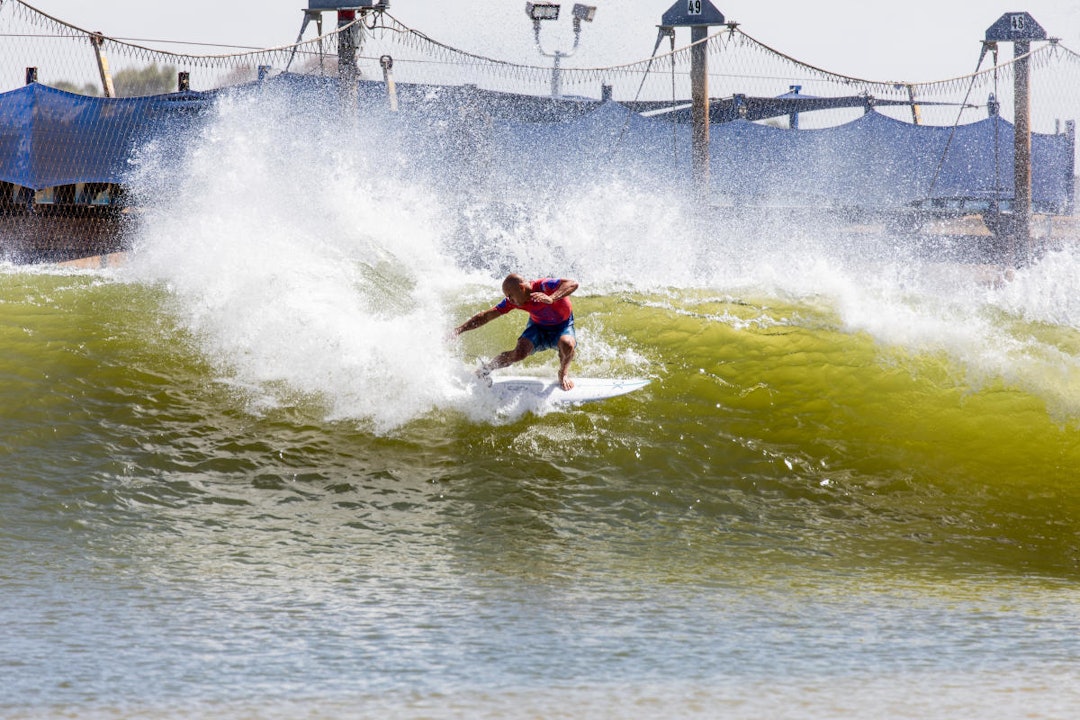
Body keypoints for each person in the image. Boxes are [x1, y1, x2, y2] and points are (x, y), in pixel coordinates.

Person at [453, 273, 579, 390]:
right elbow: (486, 316)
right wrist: (459, 329)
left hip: (563, 326)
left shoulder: (543, 285)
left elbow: (572, 283)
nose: (509, 299)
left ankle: (563, 373)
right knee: (519, 352)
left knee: (567, 344)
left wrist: (552, 298)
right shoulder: (513, 302)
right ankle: (486, 369)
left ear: (521, 288)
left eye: (510, 295)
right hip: (538, 327)